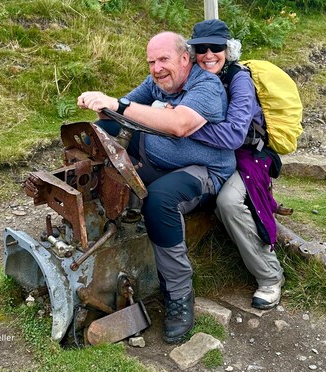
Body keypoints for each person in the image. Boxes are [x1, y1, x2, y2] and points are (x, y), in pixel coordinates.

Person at [77, 31, 237, 343]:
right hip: (157, 157)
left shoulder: (207, 86)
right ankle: (94, 212)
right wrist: (99, 108)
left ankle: (179, 295)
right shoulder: (157, 82)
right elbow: (119, 110)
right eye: (151, 62)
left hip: (202, 170)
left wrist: (117, 105)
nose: (156, 68)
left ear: (184, 59)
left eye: (163, 60)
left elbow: (179, 125)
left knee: (160, 200)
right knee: (101, 131)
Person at [186, 19, 285, 310]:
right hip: (208, 152)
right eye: (200, 48)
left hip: (249, 155)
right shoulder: (193, 76)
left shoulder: (239, 79)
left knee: (228, 201)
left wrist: (180, 126)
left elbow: (234, 135)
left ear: (228, 50)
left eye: (215, 47)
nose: (208, 54)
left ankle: (270, 277)